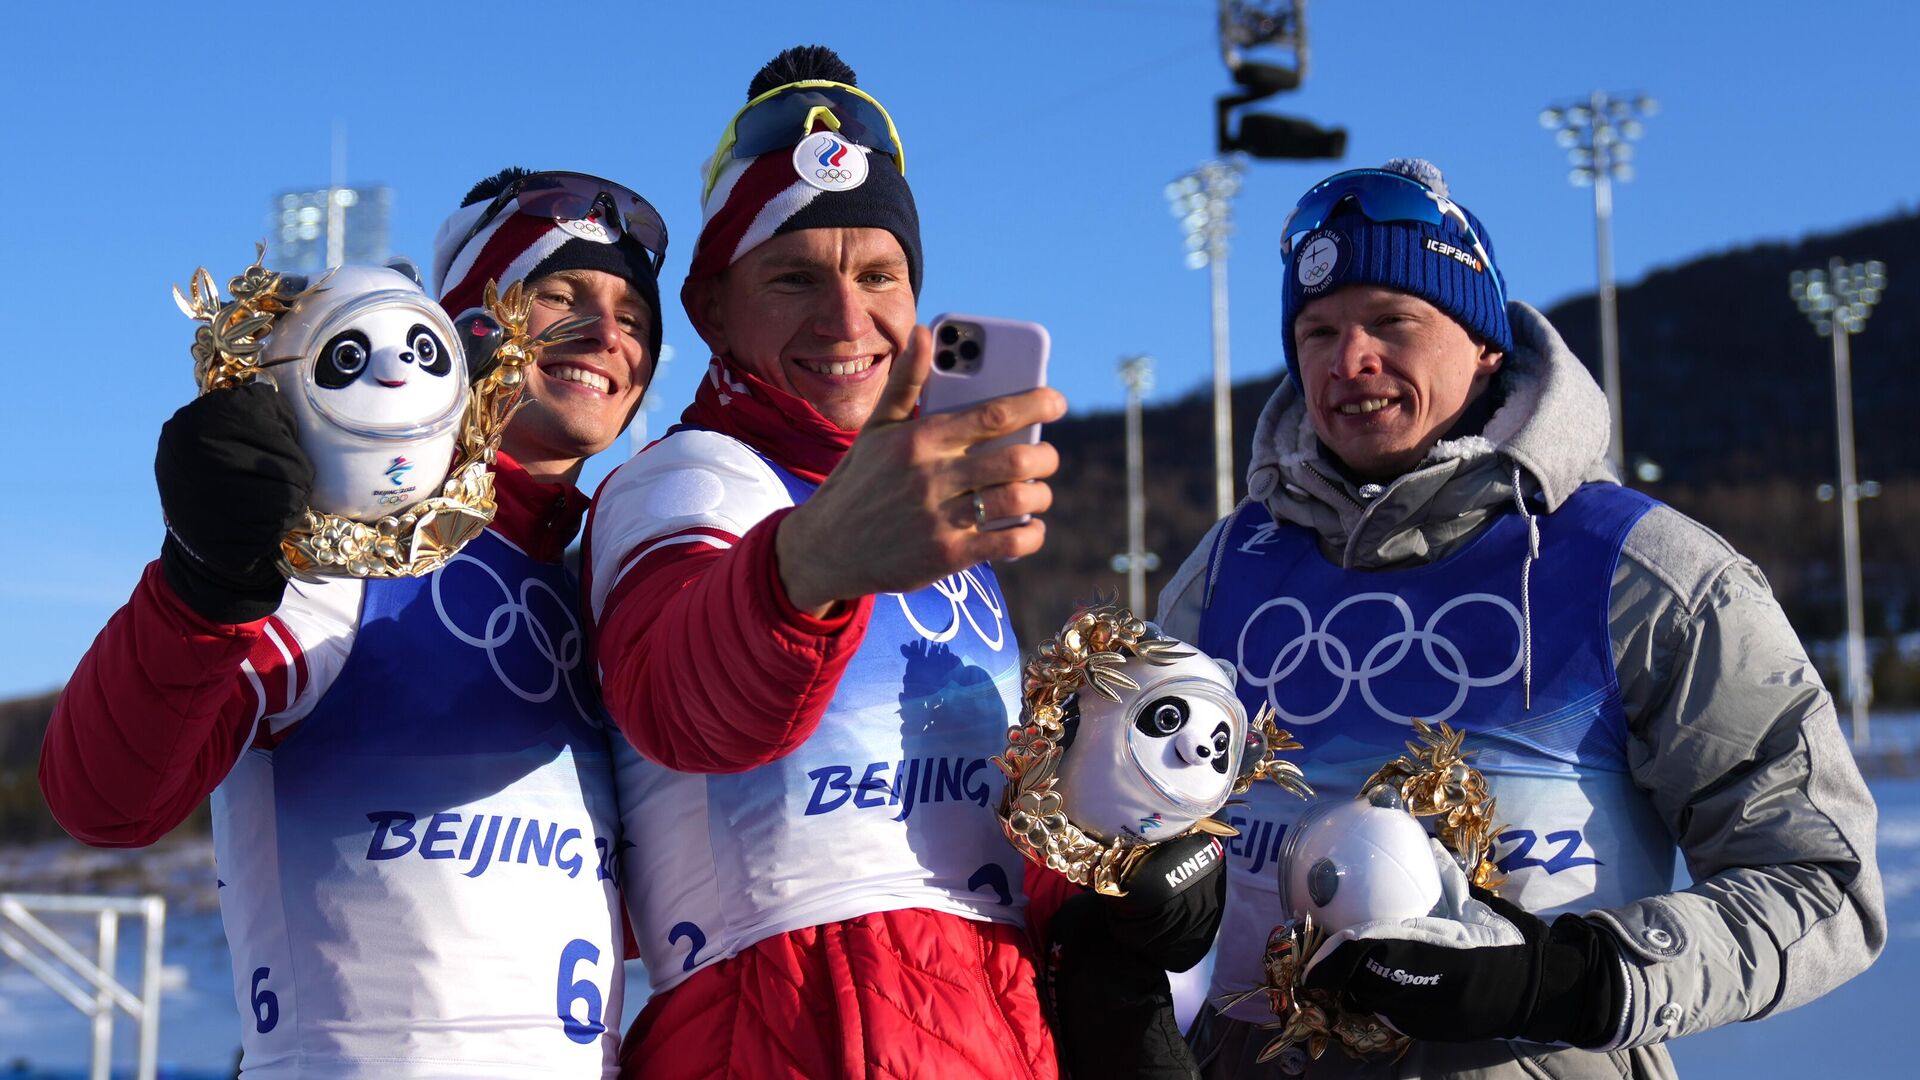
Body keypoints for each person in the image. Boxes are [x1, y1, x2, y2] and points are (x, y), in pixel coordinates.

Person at [1157, 158, 1884, 1078]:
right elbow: (1135, 841)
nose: (1350, 361)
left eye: (1393, 322)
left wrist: (1574, 981)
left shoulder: (1641, 571)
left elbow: (1822, 883)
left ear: (1485, 344)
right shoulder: (1228, 571)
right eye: (1318, 331)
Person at [39, 167, 669, 1077]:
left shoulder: (600, 590)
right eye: (559, 294)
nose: (607, 334)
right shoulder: (342, 552)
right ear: (461, 332)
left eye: (636, 319)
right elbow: (106, 798)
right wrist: (205, 584)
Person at [583, 46, 1071, 1079]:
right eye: (795, 277)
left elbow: (976, 829)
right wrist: (803, 568)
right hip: (791, 1028)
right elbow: (683, 703)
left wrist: (1122, 858)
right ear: (714, 307)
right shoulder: (692, 482)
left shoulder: (933, 526)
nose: (848, 320)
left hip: (991, 1027)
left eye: (878, 275)